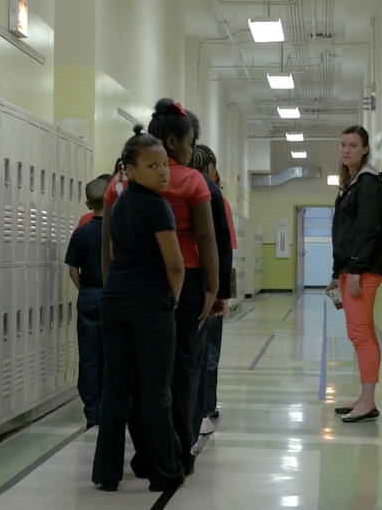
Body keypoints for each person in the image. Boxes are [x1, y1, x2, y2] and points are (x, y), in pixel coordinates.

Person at [102, 99, 219, 477]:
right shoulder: (189, 182)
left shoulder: (119, 187)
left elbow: (108, 243)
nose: (189, 152)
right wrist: (212, 288)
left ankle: (131, 460)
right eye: (188, 143)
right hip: (170, 290)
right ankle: (173, 457)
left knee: (128, 382)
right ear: (172, 142)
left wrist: (110, 287)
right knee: (174, 377)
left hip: (122, 293)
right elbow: (205, 239)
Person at [92, 126, 186, 493]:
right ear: (129, 170)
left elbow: (112, 255)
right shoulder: (158, 207)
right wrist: (173, 297)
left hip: (114, 301)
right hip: (150, 305)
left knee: (115, 390)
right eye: (152, 165)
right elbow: (175, 265)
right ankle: (164, 471)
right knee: (155, 390)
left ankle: (106, 472)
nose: (162, 172)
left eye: (164, 164)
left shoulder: (115, 204)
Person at [327, 126, 382, 423]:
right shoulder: (350, 184)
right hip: (350, 268)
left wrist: (355, 268)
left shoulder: (368, 184)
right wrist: (336, 271)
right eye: (343, 145)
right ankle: (365, 398)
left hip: (362, 270)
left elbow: (367, 230)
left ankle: (368, 401)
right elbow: (343, 233)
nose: (346, 150)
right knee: (359, 333)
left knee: (361, 334)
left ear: (365, 148)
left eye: (353, 145)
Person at [189, 143, 236, 437]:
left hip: (183, 286)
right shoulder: (214, 197)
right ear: (209, 169)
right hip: (207, 285)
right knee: (208, 352)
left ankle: (196, 410)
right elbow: (224, 248)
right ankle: (206, 409)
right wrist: (222, 294)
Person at [65, 176, 110, 427]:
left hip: (89, 295)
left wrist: (85, 291)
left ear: (87, 203)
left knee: (89, 355)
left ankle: (91, 411)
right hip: (111, 297)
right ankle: (108, 406)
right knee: (110, 354)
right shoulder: (116, 232)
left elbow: (73, 270)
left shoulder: (81, 233)